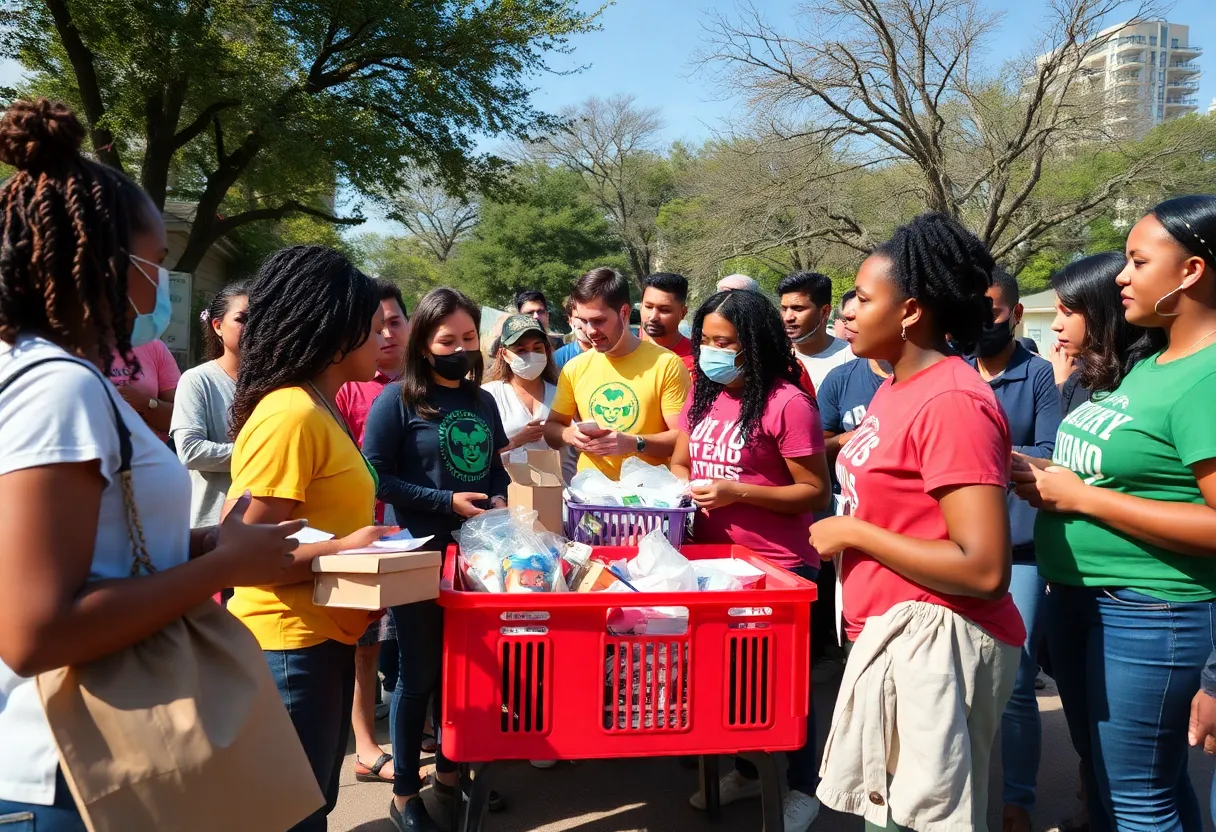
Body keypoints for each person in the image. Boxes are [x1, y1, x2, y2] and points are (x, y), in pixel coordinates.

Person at [0, 98, 301, 829]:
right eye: (157, 262)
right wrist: (219, 568)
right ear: (107, 263)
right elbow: (34, 631)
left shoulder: (48, 375)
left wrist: (202, 544)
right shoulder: (59, 389)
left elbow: (92, 550)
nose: (160, 286)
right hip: (71, 773)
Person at [812, 213, 1024, 831]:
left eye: (864, 298)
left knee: (921, 821)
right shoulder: (894, 387)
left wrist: (853, 533)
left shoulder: (951, 401)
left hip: (942, 639)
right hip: (893, 632)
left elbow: (984, 570)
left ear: (908, 311)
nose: (847, 312)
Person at [1014, 195, 1216, 832]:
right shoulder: (1152, 364)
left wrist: (1081, 498)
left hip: (1151, 611)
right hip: (1085, 601)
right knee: (1116, 785)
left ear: (1190, 272)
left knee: (1138, 800)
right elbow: (1128, 474)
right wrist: (1042, 474)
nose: (1122, 276)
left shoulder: (1207, 377)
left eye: (1137, 260)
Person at [225, 245, 394, 832]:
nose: (386, 340)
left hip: (319, 641)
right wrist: (350, 550)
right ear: (337, 330)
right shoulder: (290, 415)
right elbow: (242, 554)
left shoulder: (320, 408)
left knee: (311, 805)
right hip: (288, 649)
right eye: (376, 328)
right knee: (291, 815)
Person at [670, 289, 831, 832]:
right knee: (730, 681)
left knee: (782, 685)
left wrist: (738, 492)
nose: (714, 353)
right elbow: (680, 459)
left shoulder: (789, 403)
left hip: (778, 568)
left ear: (755, 345)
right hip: (713, 563)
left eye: (726, 343)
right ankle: (747, 770)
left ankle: (803, 788)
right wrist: (674, 491)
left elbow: (814, 492)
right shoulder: (704, 392)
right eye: (707, 342)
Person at [363, 288, 510, 832]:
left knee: (468, 673)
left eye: (469, 338)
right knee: (420, 673)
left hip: (478, 558)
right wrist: (445, 502)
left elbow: (495, 467)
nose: (460, 348)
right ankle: (405, 792)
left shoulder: (483, 400)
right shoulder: (397, 399)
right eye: (447, 340)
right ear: (424, 343)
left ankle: (451, 772)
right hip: (418, 556)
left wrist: (495, 497)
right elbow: (375, 475)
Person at [1041, 251, 1153, 832]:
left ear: (1105, 313)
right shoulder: (1088, 381)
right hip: (1073, 590)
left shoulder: (1155, 380)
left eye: (1068, 311)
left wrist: (1076, 497)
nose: (1056, 326)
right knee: (1095, 755)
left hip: (1133, 603)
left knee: (1137, 785)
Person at [964, 268, 1061, 832]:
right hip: (955, 545)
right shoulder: (953, 371)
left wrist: (980, 451)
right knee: (958, 679)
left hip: (1020, 551)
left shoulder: (1038, 374)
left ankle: (1018, 800)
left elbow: (1049, 452)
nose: (984, 322)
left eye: (994, 310)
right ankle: (963, 789)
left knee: (1018, 683)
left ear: (1017, 314)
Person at [332, 278, 410, 786]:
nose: (386, 334)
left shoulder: (427, 382)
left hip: (419, 529)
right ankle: (364, 744)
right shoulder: (347, 387)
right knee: (366, 644)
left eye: (395, 322)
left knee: (418, 637)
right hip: (367, 531)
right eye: (375, 325)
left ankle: (426, 734)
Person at [544, 267, 690, 480]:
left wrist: (635, 443)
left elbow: (682, 439)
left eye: (599, 320)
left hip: (648, 499)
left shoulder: (666, 365)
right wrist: (569, 434)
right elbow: (552, 429)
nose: (590, 330)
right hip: (592, 498)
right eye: (584, 321)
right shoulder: (575, 368)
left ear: (624, 312)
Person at [170, 282, 248, 529]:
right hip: (211, 526)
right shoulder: (198, 380)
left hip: (267, 525)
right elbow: (190, 451)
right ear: (217, 326)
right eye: (242, 319)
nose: (254, 327)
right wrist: (260, 453)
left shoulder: (278, 383)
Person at [483, 314, 558, 452]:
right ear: (504, 354)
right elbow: (477, 451)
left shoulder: (559, 394)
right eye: (521, 350)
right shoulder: (489, 395)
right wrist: (517, 440)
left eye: (537, 349)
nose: (530, 355)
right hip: (507, 473)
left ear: (546, 350)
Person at [780, 271, 855, 390]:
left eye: (798, 309)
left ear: (824, 311)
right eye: (784, 309)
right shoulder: (773, 359)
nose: (787, 317)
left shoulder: (852, 359)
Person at [107, 334, 180, 442]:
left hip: (149, 455)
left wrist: (144, 404)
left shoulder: (155, 347)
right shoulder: (79, 347)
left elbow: (180, 418)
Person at [639, 272, 692, 368]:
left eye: (664, 310)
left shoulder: (696, 361)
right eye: (649, 307)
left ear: (682, 313)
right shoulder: (624, 352)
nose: (653, 317)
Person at [553, 296, 592, 371]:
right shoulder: (558, 359)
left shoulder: (614, 353)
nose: (588, 325)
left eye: (595, 319)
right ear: (570, 321)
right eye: (581, 318)